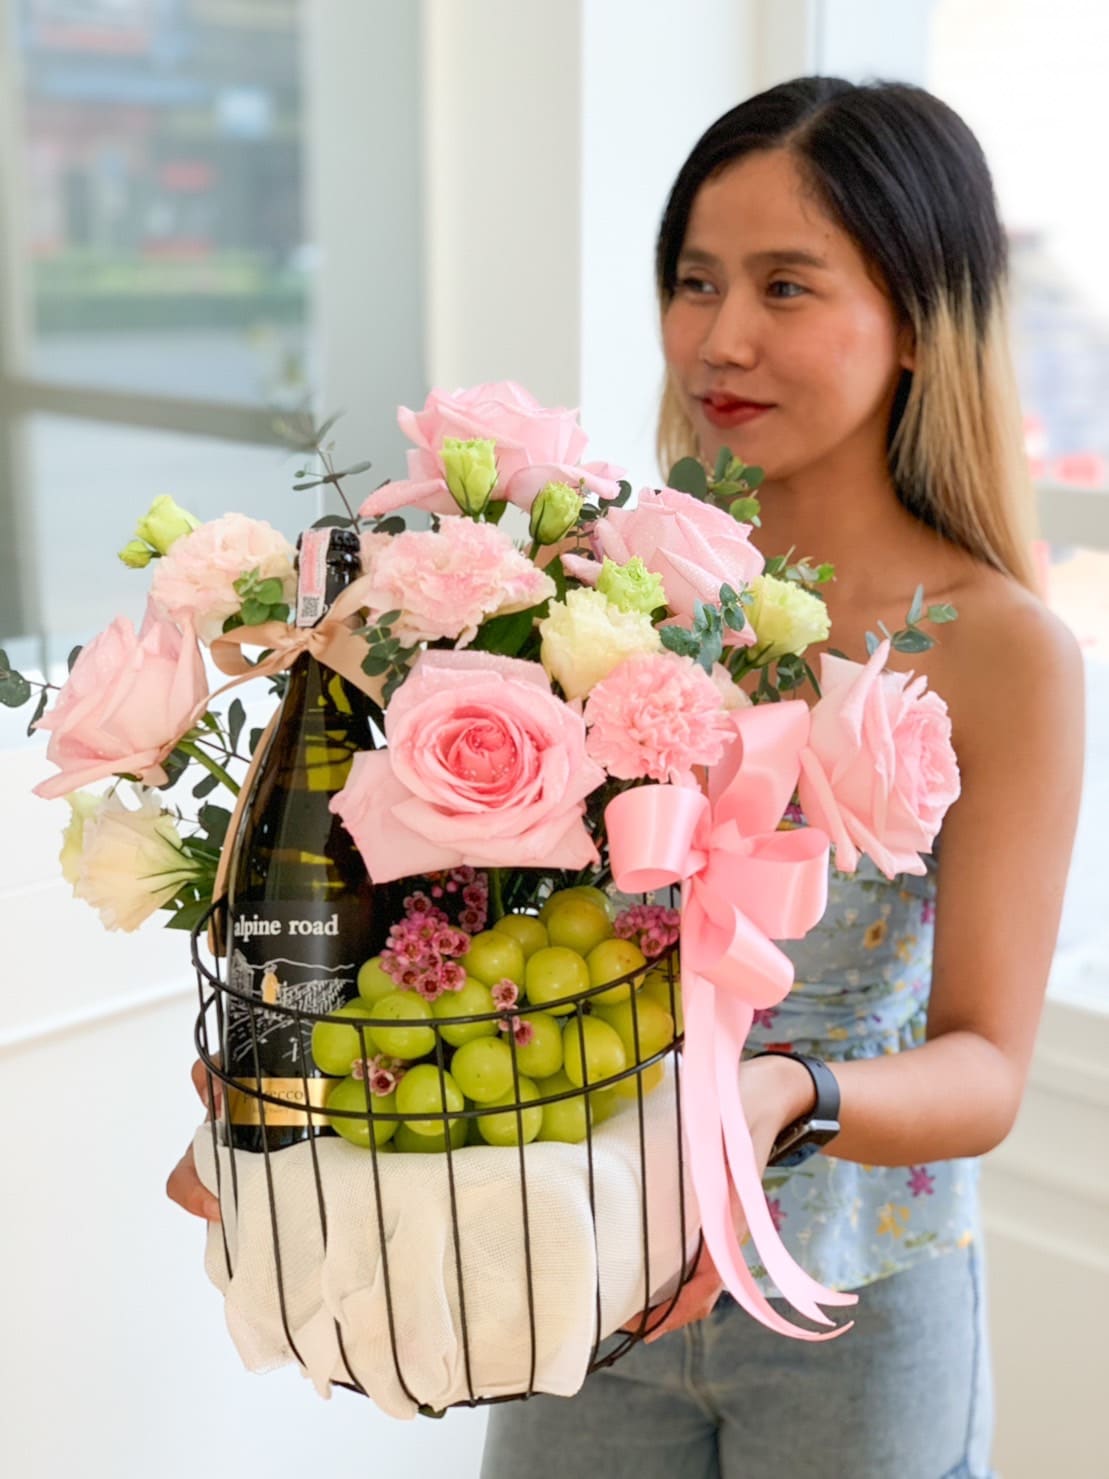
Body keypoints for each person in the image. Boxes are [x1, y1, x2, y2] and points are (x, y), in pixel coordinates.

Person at [168, 76, 1084, 1479]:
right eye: (694, 280)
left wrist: (771, 1097)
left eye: (787, 286)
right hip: (577, 1272)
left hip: (853, 1303)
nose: (720, 337)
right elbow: (454, 932)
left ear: (917, 317)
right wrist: (298, 1087)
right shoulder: (592, 580)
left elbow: (984, 1068)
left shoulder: (1005, 651)